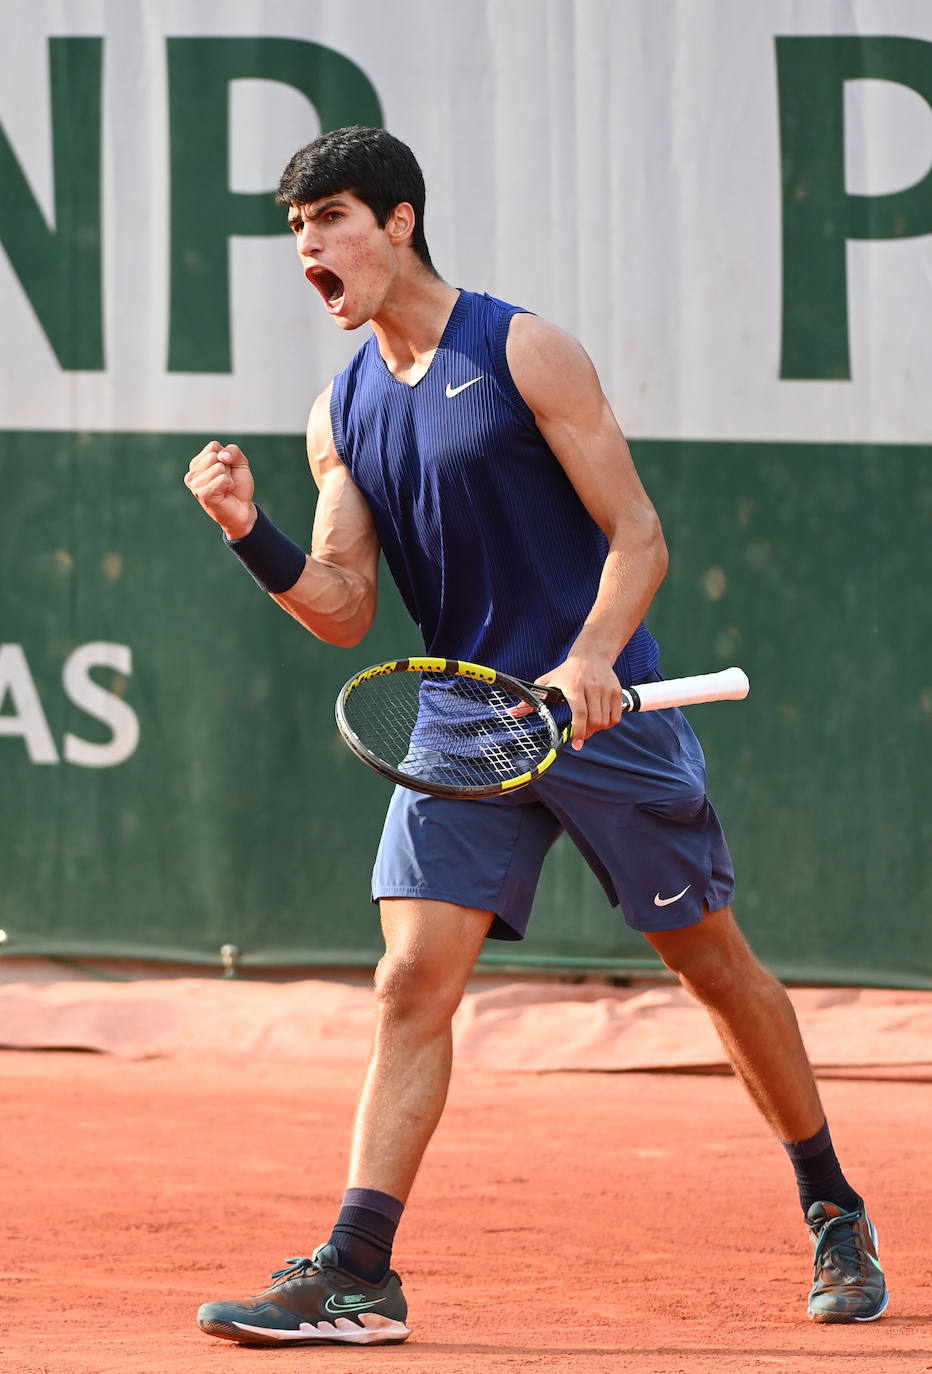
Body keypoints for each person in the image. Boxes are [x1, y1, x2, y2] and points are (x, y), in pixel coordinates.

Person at [185, 126, 887, 1346]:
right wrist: (253, 535)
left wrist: (591, 658)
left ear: (398, 222)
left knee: (710, 967)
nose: (308, 248)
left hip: (599, 713)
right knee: (411, 982)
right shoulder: (339, 411)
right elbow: (345, 607)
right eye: (295, 230)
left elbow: (639, 535)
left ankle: (831, 1206)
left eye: (329, 220)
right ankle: (357, 1269)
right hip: (463, 720)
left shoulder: (521, 350)